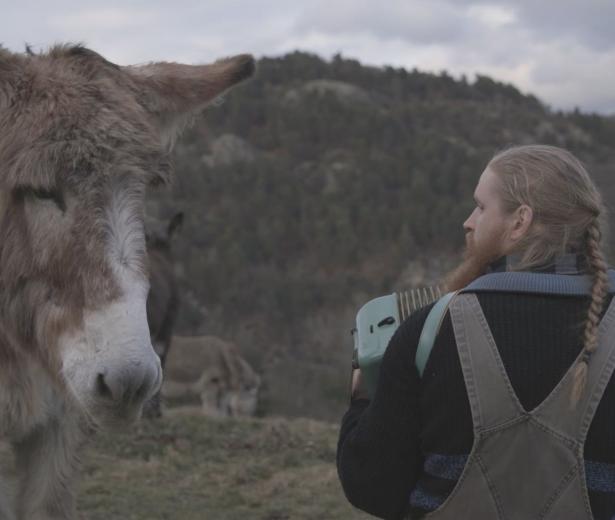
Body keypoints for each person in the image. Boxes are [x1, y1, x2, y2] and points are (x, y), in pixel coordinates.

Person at [337, 144, 615, 519]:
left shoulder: (430, 330)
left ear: (520, 221)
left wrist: (362, 400)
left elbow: (372, 487)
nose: (469, 221)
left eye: (481, 207)